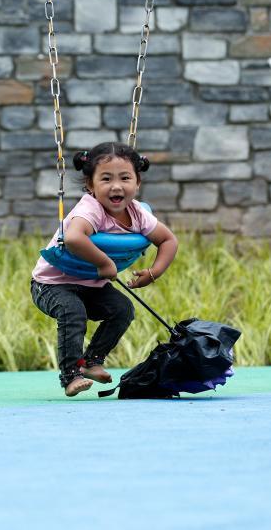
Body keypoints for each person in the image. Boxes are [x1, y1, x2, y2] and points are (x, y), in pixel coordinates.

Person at [30, 142, 178, 397]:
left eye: (125, 178)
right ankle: (71, 375)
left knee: (122, 309)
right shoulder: (90, 209)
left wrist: (153, 272)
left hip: (90, 284)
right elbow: (74, 238)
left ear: (138, 182)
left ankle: (91, 361)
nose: (116, 186)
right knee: (72, 311)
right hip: (51, 283)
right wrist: (104, 263)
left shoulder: (138, 213)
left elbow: (168, 240)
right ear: (91, 184)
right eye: (106, 179)